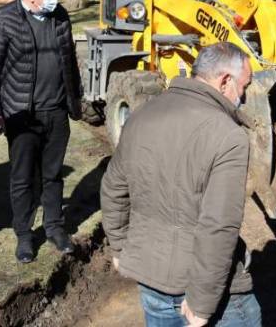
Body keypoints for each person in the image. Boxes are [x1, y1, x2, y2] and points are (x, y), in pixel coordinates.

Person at [100, 42, 261, 327]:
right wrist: (201, 304)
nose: (244, 96)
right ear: (225, 81)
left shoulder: (141, 115)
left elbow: (113, 188)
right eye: (244, 86)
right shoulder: (228, 136)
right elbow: (218, 225)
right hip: (204, 293)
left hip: (150, 278)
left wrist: (121, 248)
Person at [0, 0, 83, 263]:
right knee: (23, 178)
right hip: (22, 115)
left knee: (52, 175)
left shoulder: (60, 17)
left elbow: (69, 62)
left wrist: (76, 99)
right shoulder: (2, 21)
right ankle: (24, 234)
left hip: (56, 112)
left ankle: (54, 228)